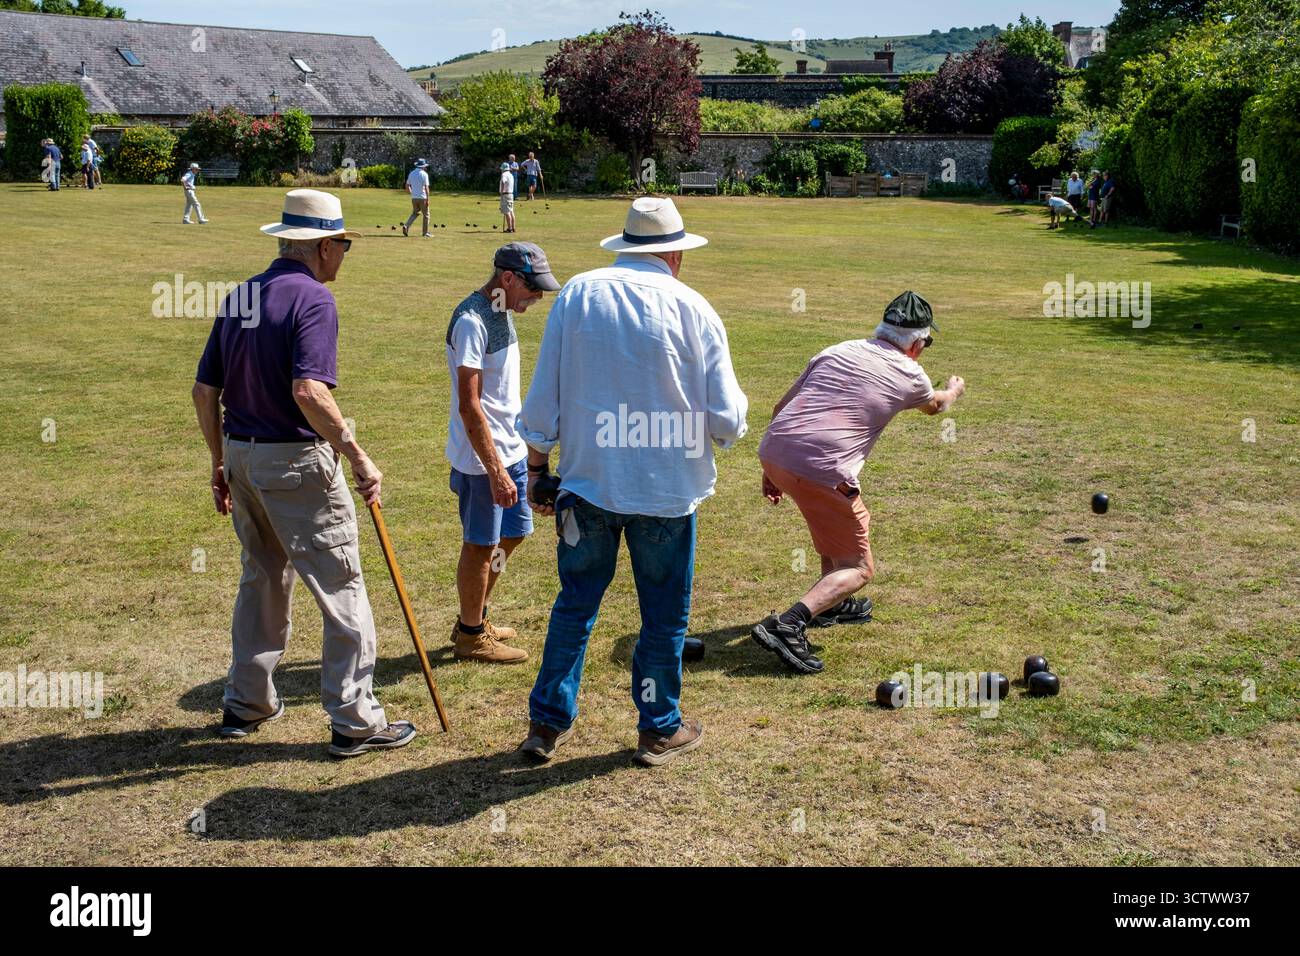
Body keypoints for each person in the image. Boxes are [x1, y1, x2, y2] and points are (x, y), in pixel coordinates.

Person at [517, 197, 748, 767]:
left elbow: (544, 393)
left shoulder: (576, 294)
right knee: (663, 616)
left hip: (589, 481)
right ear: (674, 252)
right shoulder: (695, 308)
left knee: (575, 605)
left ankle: (546, 724)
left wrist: (538, 469)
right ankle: (657, 726)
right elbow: (728, 421)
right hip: (666, 492)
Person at [192, 189, 417, 759]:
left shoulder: (244, 292)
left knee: (263, 578)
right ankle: (355, 720)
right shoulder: (313, 300)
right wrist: (357, 452)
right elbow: (308, 390)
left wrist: (219, 460)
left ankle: (247, 703)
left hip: (243, 455)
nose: (345, 254)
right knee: (340, 582)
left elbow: (204, 391)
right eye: (343, 243)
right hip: (294, 460)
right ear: (322, 246)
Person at [751, 292, 966, 674]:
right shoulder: (911, 373)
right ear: (918, 343)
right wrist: (954, 390)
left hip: (776, 451)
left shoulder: (837, 350)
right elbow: (936, 406)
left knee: (828, 523)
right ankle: (790, 623)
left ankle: (829, 602)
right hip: (823, 469)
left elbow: (780, 408)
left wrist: (772, 470)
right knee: (860, 566)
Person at [445, 242, 562, 663]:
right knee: (481, 543)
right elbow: (469, 403)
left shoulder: (502, 313)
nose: (539, 297)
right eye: (534, 288)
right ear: (507, 279)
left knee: (515, 531)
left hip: (510, 449)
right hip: (482, 459)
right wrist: (494, 470)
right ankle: (472, 635)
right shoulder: (472, 321)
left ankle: (472, 617)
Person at [402, 158, 431, 237]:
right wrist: (428, 199)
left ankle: (406, 226)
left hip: (414, 198)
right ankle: (425, 233)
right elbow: (426, 188)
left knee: (415, 213)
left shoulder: (411, 173)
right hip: (423, 198)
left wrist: (412, 193)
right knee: (426, 215)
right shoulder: (424, 174)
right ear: (423, 166)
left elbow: (407, 186)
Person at [498, 162, 516, 233]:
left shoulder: (504, 174)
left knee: (507, 211)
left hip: (506, 194)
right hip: (511, 194)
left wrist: (502, 192)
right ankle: (513, 227)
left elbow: (503, 181)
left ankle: (509, 228)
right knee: (511, 211)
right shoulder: (511, 175)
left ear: (503, 169)